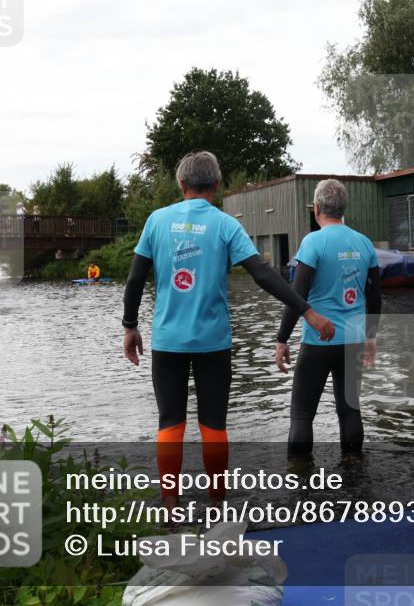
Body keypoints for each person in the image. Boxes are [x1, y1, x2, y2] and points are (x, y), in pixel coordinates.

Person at [122, 151, 335, 510]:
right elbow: (263, 274)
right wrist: (307, 312)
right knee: (214, 423)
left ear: (181, 184)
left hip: (168, 340)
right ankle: (218, 504)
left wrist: (130, 326)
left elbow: (135, 278)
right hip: (212, 343)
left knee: (171, 421)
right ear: (217, 186)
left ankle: (171, 507)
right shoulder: (225, 225)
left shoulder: (157, 221)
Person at [274, 179, 382, 458]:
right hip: (354, 339)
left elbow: (296, 295)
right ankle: (354, 475)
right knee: (349, 409)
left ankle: (299, 480)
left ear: (317, 208)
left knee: (301, 414)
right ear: (343, 208)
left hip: (318, 342)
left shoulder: (313, 242)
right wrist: (371, 336)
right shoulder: (364, 244)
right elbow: (374, 298)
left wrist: (282, 339)